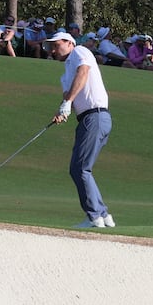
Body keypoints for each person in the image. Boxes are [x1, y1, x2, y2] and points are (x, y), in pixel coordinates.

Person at [47, 28, 115, 229]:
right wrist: (63, 110)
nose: (53, 50)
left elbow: (83, 72)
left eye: (56, 45)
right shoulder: (65, 74)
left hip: (96, 116)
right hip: (88, 119)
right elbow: (70, 95)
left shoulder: (80, 52)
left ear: (69, 43)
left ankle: (95, 217)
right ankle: (103, 214)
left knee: (79, 168)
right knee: (82, 168)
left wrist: (68, 102)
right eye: (51, 46)